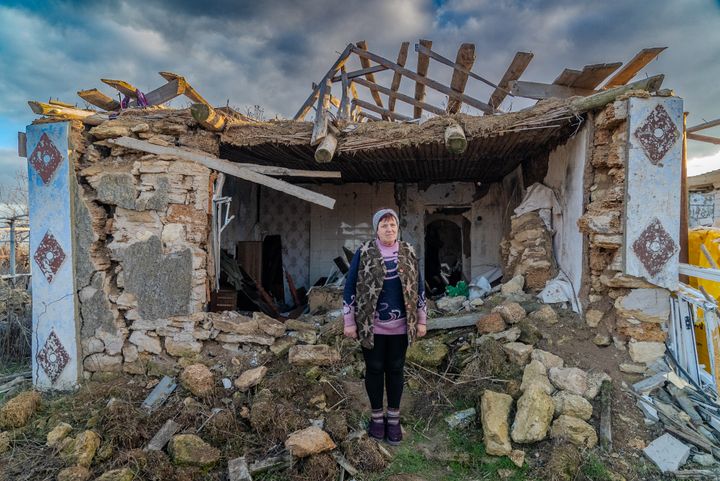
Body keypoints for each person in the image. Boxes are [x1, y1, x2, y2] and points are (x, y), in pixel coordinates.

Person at [343, 208, 427, 445]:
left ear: (397, 228)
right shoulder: (364, 252)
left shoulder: (408, 251)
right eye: (384, 226)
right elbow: (350, 287)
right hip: (372, 325)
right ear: (376, 229)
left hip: (401, 326)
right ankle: (377, 417)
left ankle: (394, 419)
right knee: (375, 368)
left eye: (393, 225)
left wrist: (422, 320)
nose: (389, 229)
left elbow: (419, 287)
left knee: (396, 368)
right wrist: (349, 322)